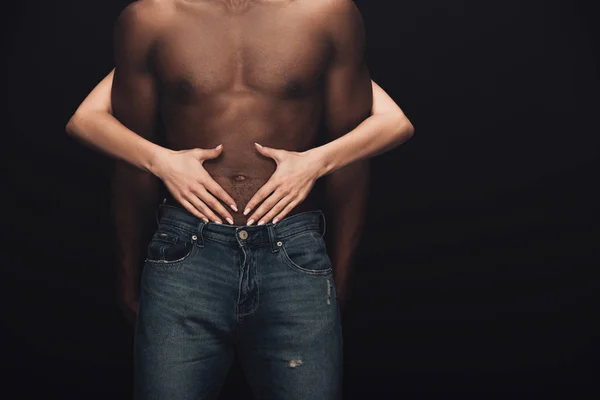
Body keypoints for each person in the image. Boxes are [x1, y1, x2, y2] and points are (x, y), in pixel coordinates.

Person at [66, 1, 414, 399]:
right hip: (185, 253)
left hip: (293, 252)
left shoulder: (325, 13)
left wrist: (341, 275)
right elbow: (129, 165)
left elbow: (353, 156)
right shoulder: (152, 17)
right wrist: (127, 274)